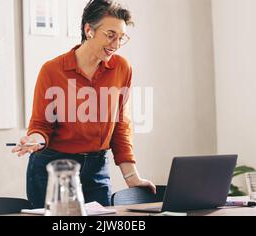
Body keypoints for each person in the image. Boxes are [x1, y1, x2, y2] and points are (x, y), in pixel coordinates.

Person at [12, 0, 155, 208]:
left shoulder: (121, 69)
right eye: (110, 35)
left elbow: (121, 126)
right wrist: (35, 140)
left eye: (121, 38)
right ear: (89, 30)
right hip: (53, 168)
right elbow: (41, 125)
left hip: (97, 167)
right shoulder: (52, 70)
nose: (115, 45)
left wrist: (131, 176)